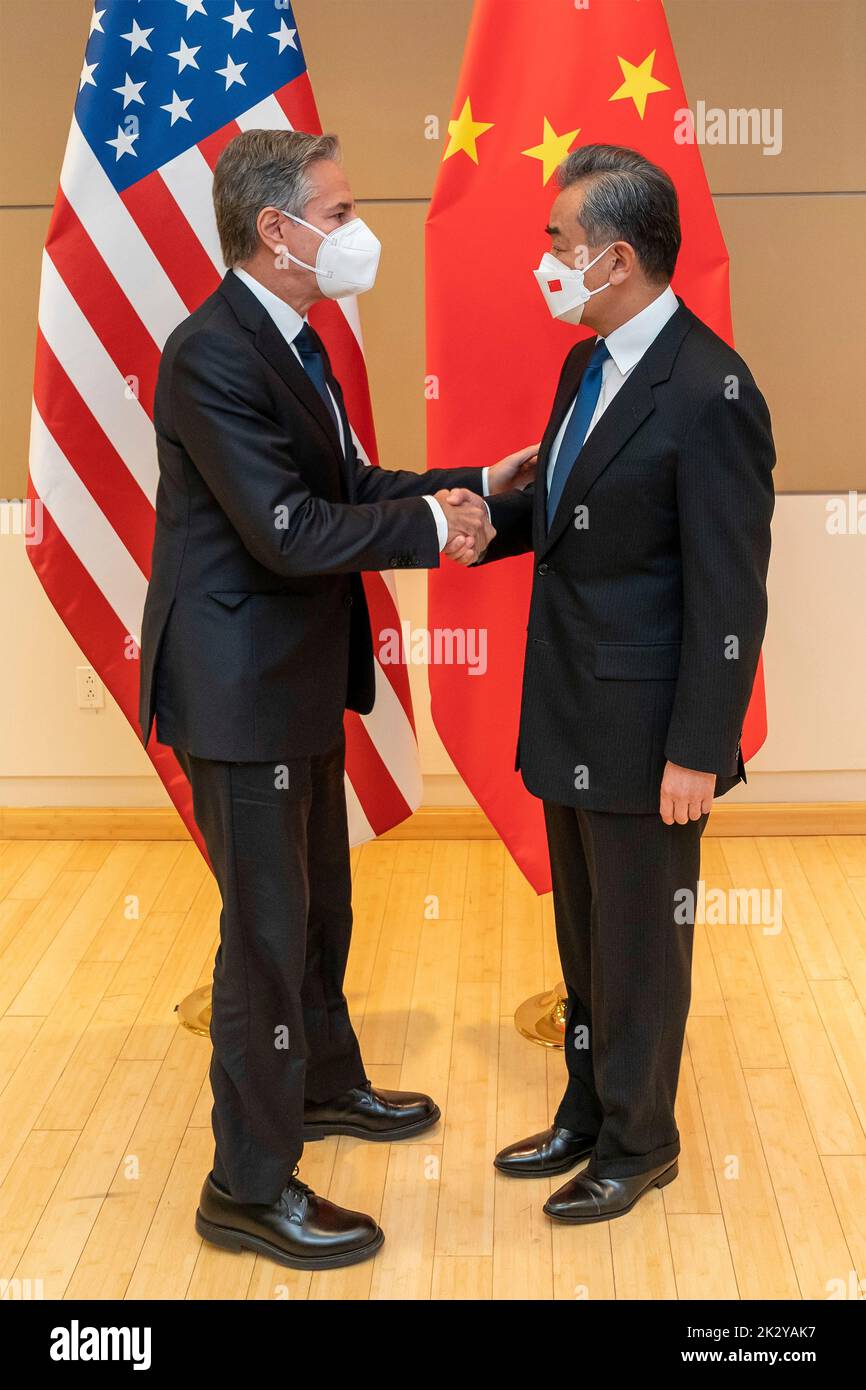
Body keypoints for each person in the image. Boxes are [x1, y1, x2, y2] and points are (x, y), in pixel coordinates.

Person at [138, 128, 533, 1269]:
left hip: (291, 676)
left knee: (316, 909)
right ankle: (245, 1187)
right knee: (264, 934)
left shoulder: (293, 341)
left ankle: (317, 1085)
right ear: (278, 230)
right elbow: (287, 529)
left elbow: (344, 486)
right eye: (340, 208)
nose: (357, 228)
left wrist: (467, 487)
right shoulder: (210, 352)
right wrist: (431, 530)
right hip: (238, 686)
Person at [447, 144, 775, 1224]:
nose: (543, 259)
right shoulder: (586, 362)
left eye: (557, 243)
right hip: (570, 706)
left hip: (647, 732)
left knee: (639, 946)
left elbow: (727, 594)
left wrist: (698, 746)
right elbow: (568, 506)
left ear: (617, 257)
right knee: (585, 936)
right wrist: (472, 521)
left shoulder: (708, 387)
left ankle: (641, 1142)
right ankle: (586, 1109)